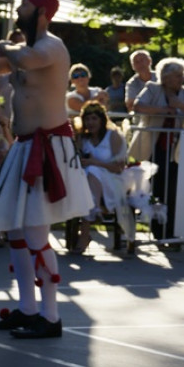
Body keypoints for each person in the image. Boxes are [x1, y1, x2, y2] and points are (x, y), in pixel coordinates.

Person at [0, 0, 92, 339]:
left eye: (24, 5)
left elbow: (23, 60)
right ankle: (27, 308)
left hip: (49, 147)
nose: (18, 10)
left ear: (42, 14)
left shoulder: (50, 47)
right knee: (16, 231)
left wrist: (2, 48)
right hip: (25, 145)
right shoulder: (20, 49)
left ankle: (50, 317)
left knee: (36, 231)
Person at [129, 57, 184, 240]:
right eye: (177, 75)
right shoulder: (153, 89)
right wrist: (163, 110)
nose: (181, 78)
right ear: (166, 77)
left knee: (175, 190)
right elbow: (138, 106)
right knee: (157, 189)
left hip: (178, 150)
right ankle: (158, 232)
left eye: (182, 75)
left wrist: (179, 105)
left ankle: (172, 231)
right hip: (153, 148)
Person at [72, 101, 129, 254]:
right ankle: (93, 211)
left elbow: (119, 168)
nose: (90, 123)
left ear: (102, 120)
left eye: (94, 119)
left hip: (112, 179)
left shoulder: (113, 136)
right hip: (87, 181)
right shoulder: (82, 139)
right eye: (87, 119)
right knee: (90, 171)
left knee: (93, 170)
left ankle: (85, 234)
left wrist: (94, 162)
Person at [125, 49, 153, 115]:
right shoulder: (131, 84)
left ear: (149, 61)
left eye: (142, 60)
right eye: (136, 62)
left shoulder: (161, 78)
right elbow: (131, 106)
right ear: (133, 66)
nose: (140, 64)